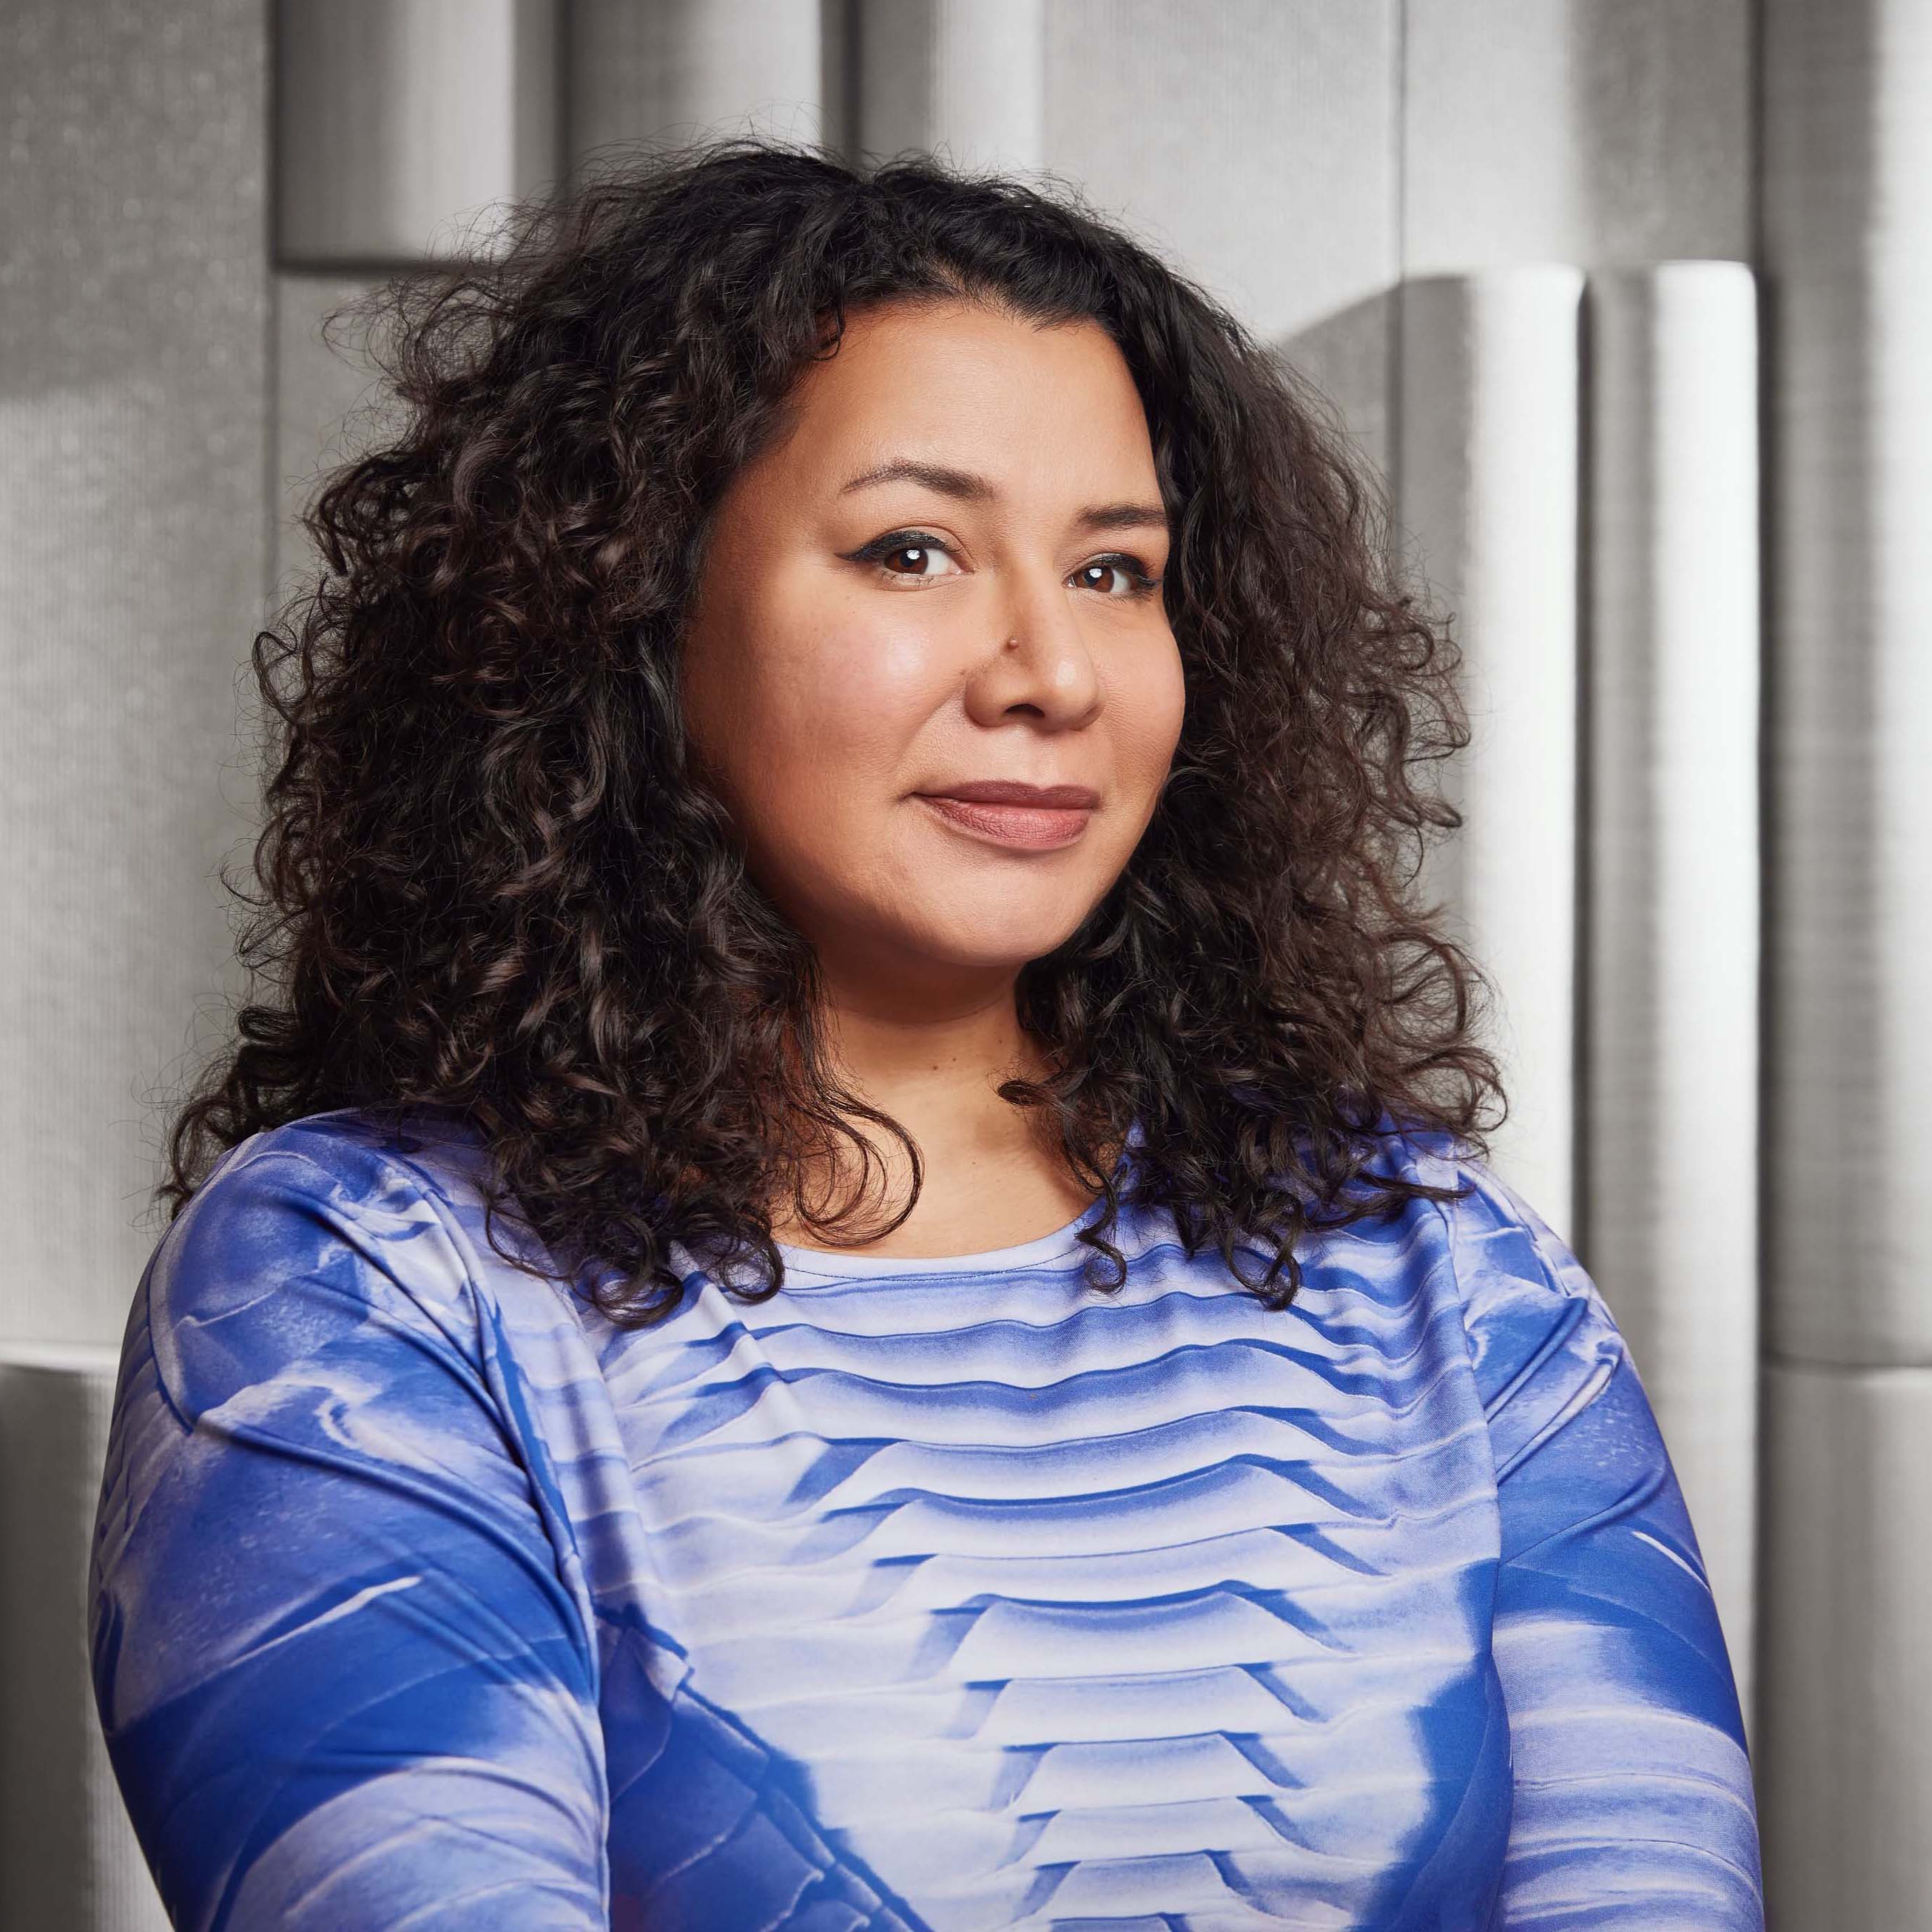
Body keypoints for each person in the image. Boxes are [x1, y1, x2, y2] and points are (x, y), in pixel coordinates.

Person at [87, 137, 1765, 1930]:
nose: (1051, 671)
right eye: (913, 551)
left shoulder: (1441, 1268)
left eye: (1117, 572)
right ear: (634, 613)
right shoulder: (359, 1295)